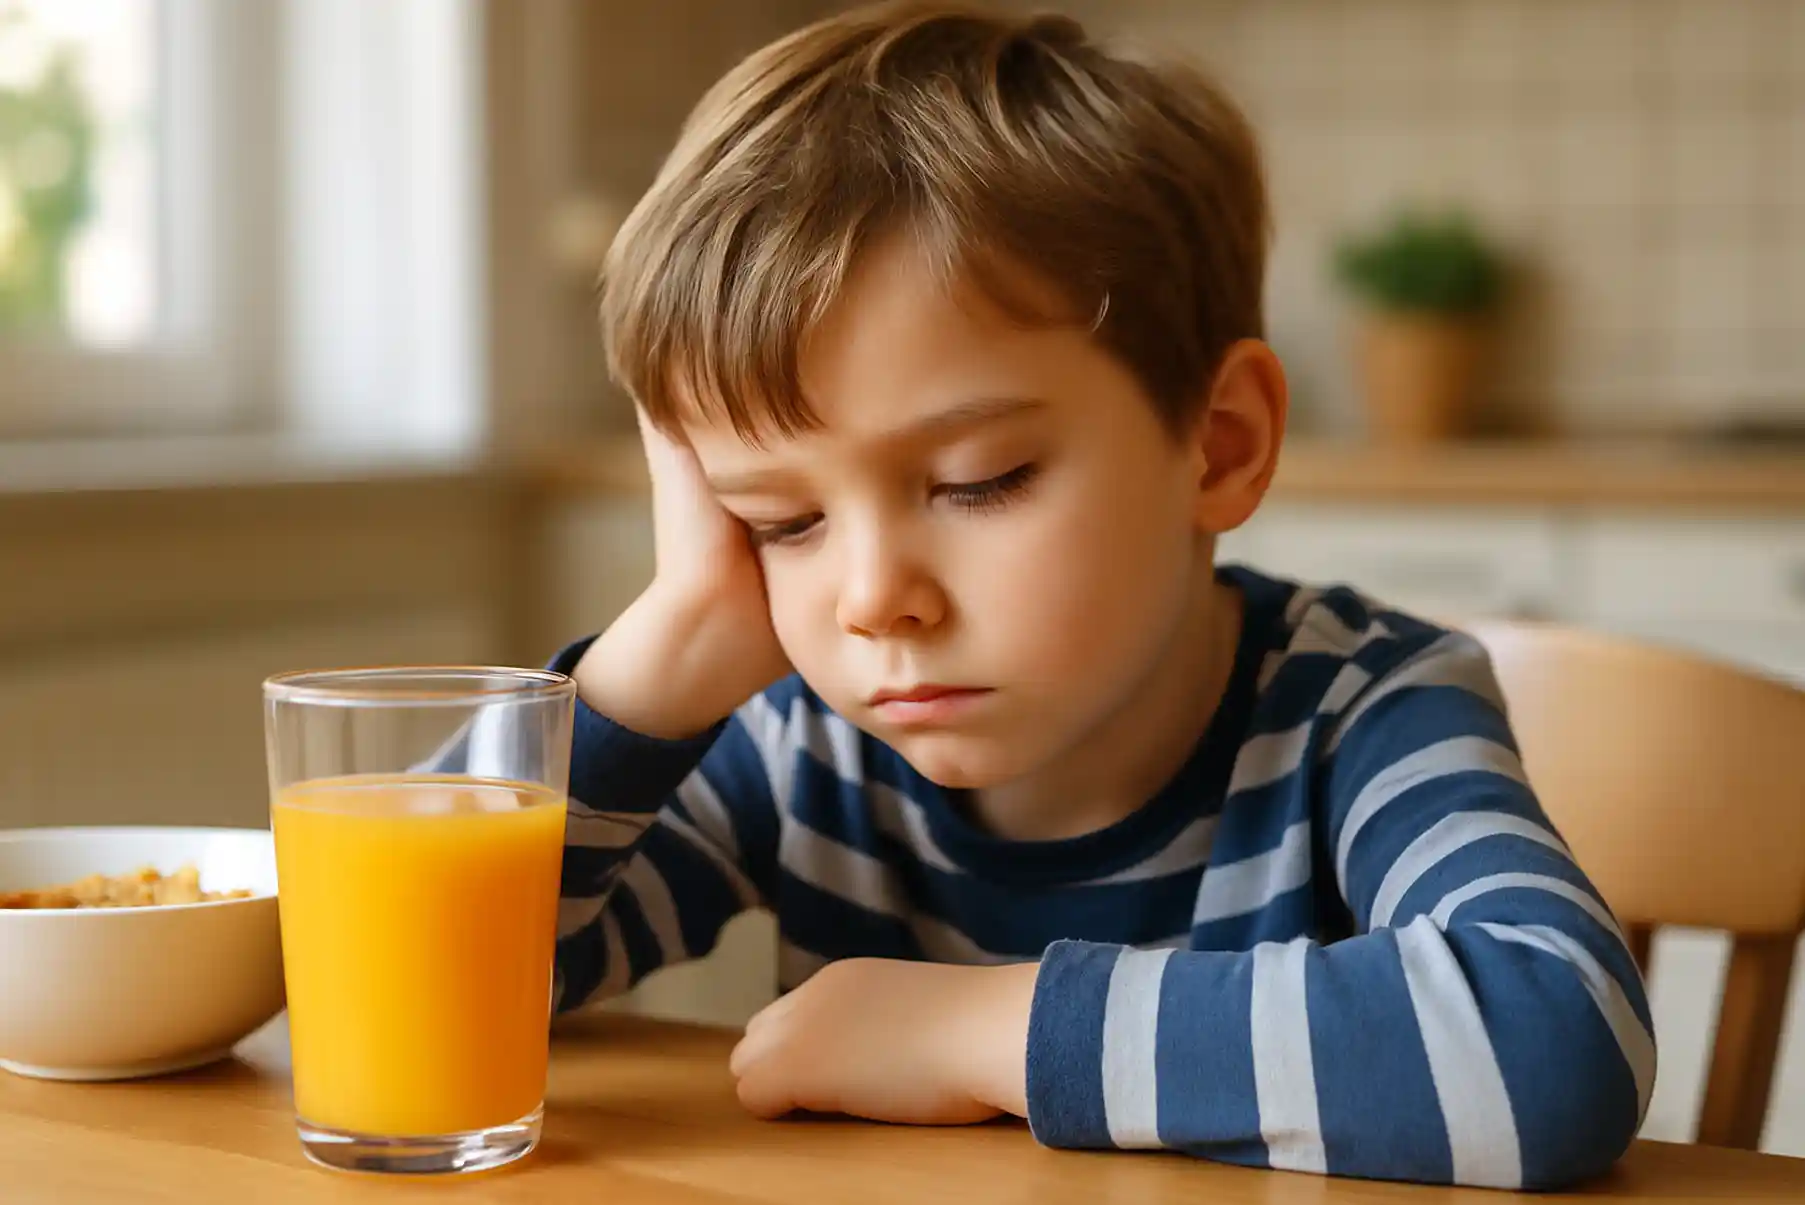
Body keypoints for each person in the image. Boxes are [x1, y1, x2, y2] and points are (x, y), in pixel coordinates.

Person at [547, 2, 1652, 1189]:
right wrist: (647, 670)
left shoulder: (1359, 706)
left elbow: (1553, 1040)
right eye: (783, 520)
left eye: (981, 480)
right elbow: (383, 986)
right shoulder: (800, 744)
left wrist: (974, 1032)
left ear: (1217, 444)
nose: (873, 599)